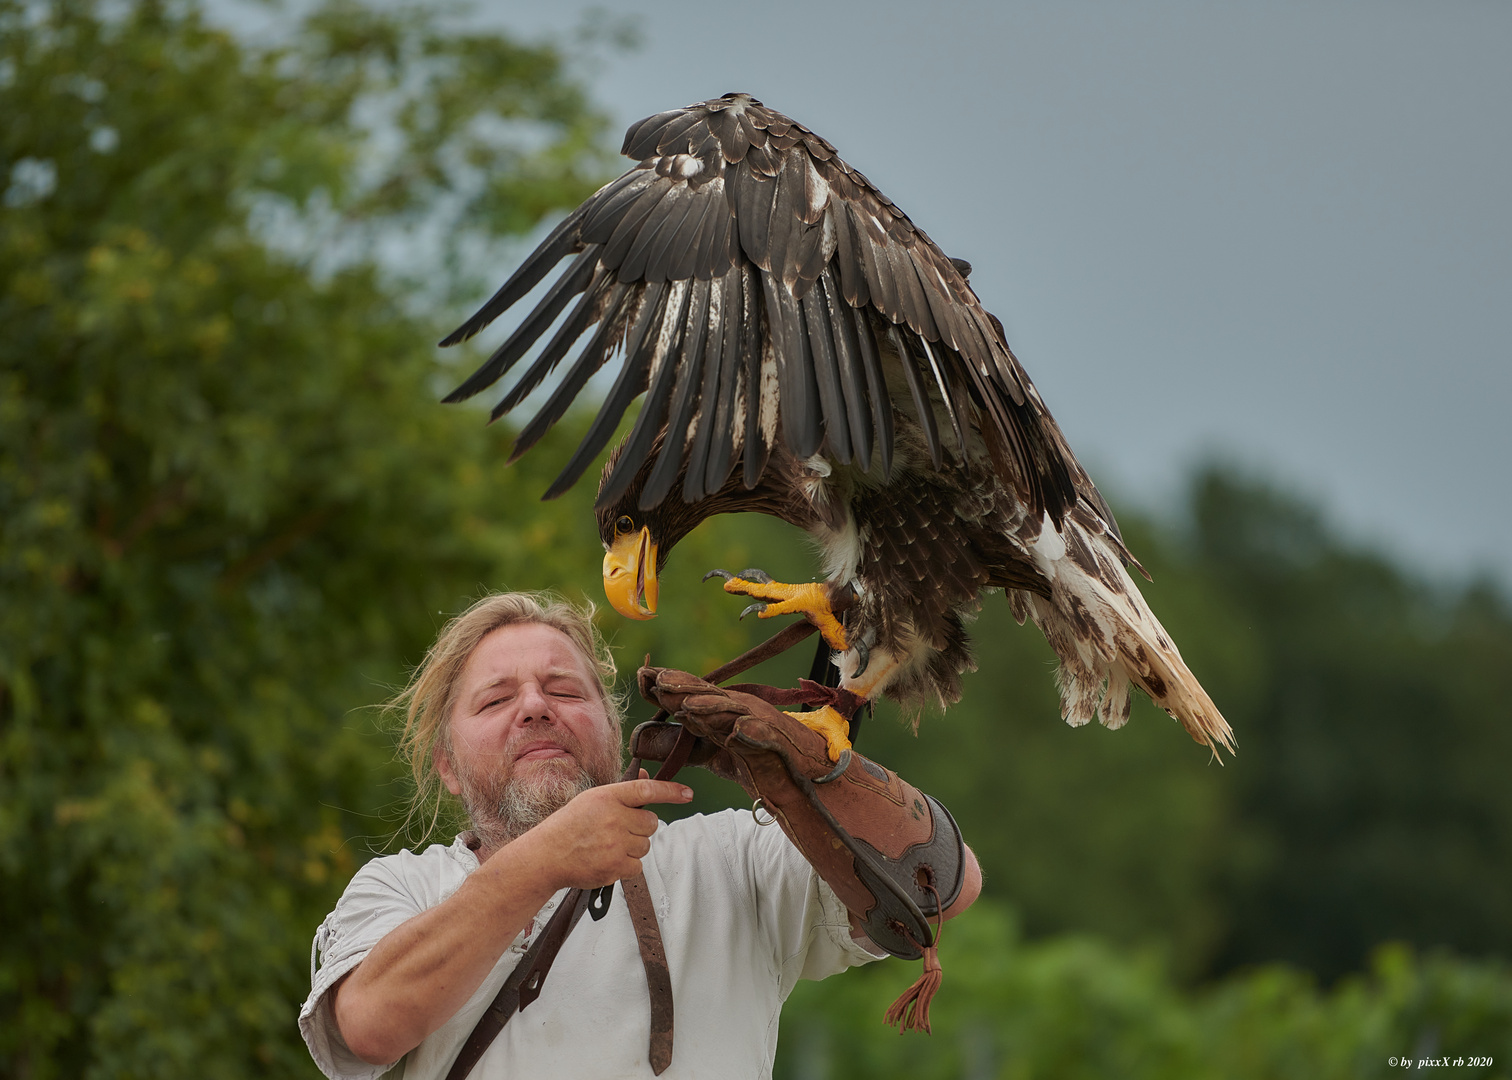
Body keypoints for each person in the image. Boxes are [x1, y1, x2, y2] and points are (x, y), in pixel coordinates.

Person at [300, 591, 981, 1079]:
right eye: (497, 699)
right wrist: (545, 861)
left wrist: (813, 777)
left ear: (610, 722)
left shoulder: (730, 861)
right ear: (446, 766)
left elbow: (945, 889)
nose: (535, 707)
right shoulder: (403, 889)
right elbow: (368, 1025)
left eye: (564, 690)